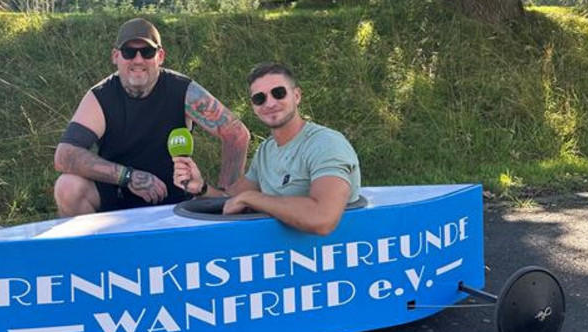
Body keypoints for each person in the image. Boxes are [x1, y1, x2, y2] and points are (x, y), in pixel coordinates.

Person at [53, 18, 250, 216]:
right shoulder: (100, 97)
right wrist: (128, 177)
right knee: (67, 187)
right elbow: (64, 155)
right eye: (129, 52)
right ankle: (94, 246)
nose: (138, 60)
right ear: (115, 56)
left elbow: (236, 134)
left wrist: (227, 195)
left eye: (147, 52)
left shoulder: (182, 90)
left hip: (175, 197)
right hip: (117, 195)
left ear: (160, 56)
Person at [172, 62, 361, 235]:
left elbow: (323, 219)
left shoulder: (325, 144)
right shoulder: (266, 150)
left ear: (296, 96)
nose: (270, 103)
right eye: (259, 98)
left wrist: (252, 198)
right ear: (254, 107)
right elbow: (230, 199)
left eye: (278, 93)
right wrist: (200, 187)